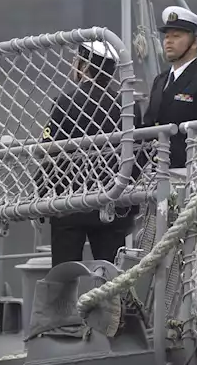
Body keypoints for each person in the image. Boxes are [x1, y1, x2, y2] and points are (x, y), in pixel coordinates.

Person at [43, 40, 137, 266]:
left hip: (70, 203)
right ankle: (110, 302)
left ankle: (62, 303)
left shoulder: (65, 102)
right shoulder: (126, 105)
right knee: (111, 275)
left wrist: (44, 194)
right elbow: (138, 155)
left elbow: (49, 153)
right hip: (113, 202)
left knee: (63, 275)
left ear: (84, 66)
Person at [142, 6, 197, 170]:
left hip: (191, 170)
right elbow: (148, 125)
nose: (168, 41)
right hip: (156, 169)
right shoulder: (160, 80)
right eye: (167, 36)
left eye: (176, 36)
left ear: (195, 42)